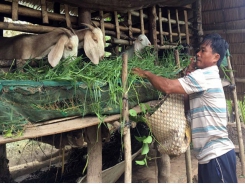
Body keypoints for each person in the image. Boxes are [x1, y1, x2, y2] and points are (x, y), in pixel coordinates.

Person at [132, 33, 237, 183]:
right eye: (199, 50)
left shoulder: (204, 76)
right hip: (209, 157)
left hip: (216, 156)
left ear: (215, 57)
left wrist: (147, 74)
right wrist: (188, 74)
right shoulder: (206, 77)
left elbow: (167, 87)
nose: (198, 54)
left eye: (203, 50)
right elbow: (187, 106)